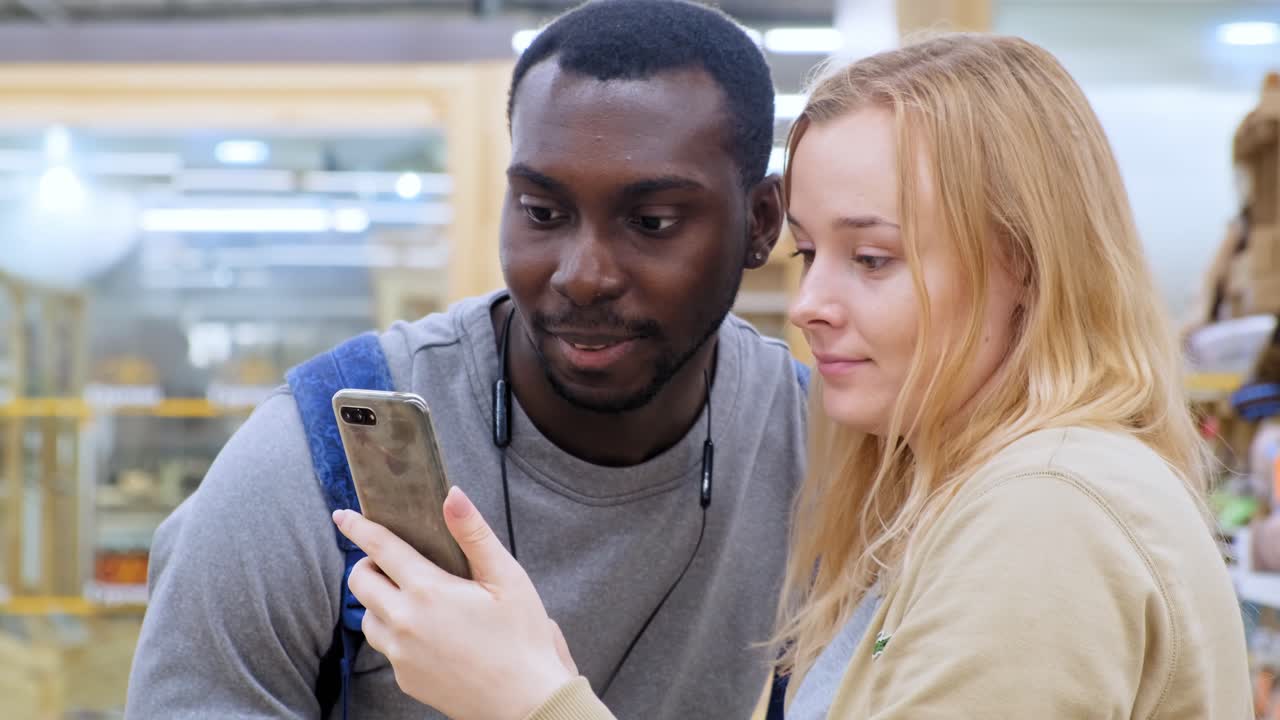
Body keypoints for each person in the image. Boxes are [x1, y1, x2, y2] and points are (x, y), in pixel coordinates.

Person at [330, 32, 1253, 719]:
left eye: (875, 259)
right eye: (811, 252)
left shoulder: (1047, 508)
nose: (810, 302)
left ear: (1026, 265)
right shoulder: (951, 496)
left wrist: (528, 698)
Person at [125, 1, 809, 718]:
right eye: (543, 213)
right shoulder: (313, 463)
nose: (584, 274)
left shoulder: (827, 459)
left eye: (652, 222)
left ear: (761, 223)